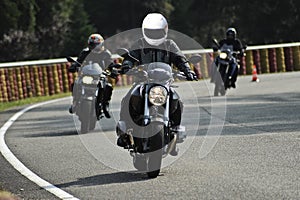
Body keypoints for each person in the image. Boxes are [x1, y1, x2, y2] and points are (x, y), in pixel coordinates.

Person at [117, 13, 197, 152]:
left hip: (164, 83)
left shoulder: (169, 44)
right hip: (143, 81)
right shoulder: (140, 43)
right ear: (145, 31)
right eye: (151, 32)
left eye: (157, 32)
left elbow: (180, 59)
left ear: (164, 31)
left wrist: (187, 70)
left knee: (177, 101)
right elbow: (131, 56)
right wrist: (127, 65)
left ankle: (174, 134)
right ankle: (124, 133)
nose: (154, 35)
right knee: (127, 99)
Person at [68, 33, 115, 118]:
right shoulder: (85, 52)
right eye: (92, 45)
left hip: (100, 75)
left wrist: (113, 69)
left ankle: (105, 106)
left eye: (97, 45)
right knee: (75, 84)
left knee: (108, 86)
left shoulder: (106, 53)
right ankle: (75, 102)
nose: (94, 47)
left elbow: (110, 63)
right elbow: (79, 61)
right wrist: (74, 66)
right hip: (86, 74)